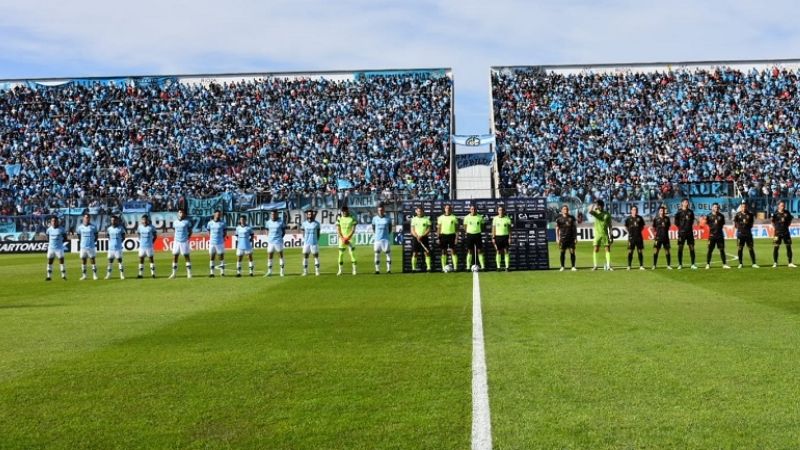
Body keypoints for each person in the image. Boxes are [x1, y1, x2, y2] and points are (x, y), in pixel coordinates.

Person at [589, 200, 613, 271]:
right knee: (596, 249)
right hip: (597, 234)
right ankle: (595, 266)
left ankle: (608, 266)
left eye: (598, 205)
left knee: (607, 249)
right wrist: (593, 204)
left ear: (602, 206)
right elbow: (590, 211)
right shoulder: (596, 212)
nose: (597, 206)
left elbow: (610, 225)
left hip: (605, 234)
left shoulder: (607, 214)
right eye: (597, 205)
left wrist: (611, 235)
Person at [771, 200, 796, 268]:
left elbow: (790, 220)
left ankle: (790, 262)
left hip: (786, 232)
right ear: (778, 206)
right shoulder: (775, 213)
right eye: (782, 205)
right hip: (777, 233)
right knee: (776, 247)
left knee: (788, 247)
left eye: (784, 205)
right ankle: (775, 262)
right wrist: (776, 228)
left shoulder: (787, 212)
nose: (783, 207)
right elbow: (772, 222)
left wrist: (786, 226)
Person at [674, 198, 697, 269]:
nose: (687, 203)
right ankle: (680, 264)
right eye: (685, 202)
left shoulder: (691, 212)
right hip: (682, 233)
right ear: (682, 203)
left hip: (689, 232)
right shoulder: (679, 212)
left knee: (692, 248)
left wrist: (688, 227)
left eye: (687, 202)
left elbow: (692, 221)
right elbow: (676, 222)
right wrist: (681, 228)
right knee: (680, 248)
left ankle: (693, 264)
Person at [734, 201, 759, 268]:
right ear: (741, 207)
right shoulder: (737, 215)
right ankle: (740, 263)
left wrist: (746, 226)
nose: (744, 208)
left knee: (751, 248)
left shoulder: (750, 215)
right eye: (742, 207)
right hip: (740, 234)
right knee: (740, 249)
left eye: (745, 207)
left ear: (746, 207)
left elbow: (751, 224)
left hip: (748, 234)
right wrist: (740, 227)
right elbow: (735, 224)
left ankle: (754, 263)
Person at [705, 203, 730, 269]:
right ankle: (708, 264)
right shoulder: (709, 216)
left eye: (717, 207)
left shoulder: (721, 216)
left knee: (722, 250)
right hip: (712, 236)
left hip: (720, 236)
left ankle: (724, 264)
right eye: (715, 207)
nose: (716, 208)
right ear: (712, 208)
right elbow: (707, 224)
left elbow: (722, 224)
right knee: (710, 250)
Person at [169, 208, 192, 279]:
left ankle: (189, 273)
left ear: (184, 214)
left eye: (182, 212)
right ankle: (173, 274)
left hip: (184, 241)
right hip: (176, 241)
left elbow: (190, 231)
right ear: (178, 213)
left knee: (186, 256)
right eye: (180, 212)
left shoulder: (187, 222)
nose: (181, 214)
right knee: (175, 256)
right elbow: (174, 230)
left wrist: (187, 237)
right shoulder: (175, 222)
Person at [436, 204, 460, 271]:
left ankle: (455, 267)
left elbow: (457, 229)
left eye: (449, 208)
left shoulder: (454, 217)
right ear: (444, 209)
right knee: (443, 251)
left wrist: (456, 238)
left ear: (451, 209)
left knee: (453, 251)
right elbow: (439, 228)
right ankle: (443, 267)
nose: (448, 209)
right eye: (447, 208)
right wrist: (438, 237)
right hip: (443, 235)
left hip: (452, 235)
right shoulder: (440, 217)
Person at [463, 204, 486, 271]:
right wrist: (469, 231)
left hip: (478, 235)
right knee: (469, 251)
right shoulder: (466, 217)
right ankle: (467, 267)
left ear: (476, 210)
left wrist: (477, 230)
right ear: (470, 210)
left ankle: (483, 266)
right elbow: (465, 226)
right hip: (470, 235)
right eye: (472, 209)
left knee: (480, 251)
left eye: (474, 209)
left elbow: (482, 226)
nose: (473, 210)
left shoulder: (480, 217)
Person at [555, 205, 578, 271]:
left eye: (567, 209)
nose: (566, 210)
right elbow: (557, 229)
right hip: (563, 238)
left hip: (571, 238)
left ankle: (573, 266)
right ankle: (562, 266)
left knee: (572, 252)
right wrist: (557, 238)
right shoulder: (559, 219)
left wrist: (575, 238)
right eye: (564, 209)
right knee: (562, 252)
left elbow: (574, 228)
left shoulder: (572, 218)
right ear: (562, 210)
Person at [76, 213, 99, 280]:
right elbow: (79, 236)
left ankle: (95, 275)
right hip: (83, 247)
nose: (87, 219)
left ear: (89, 219)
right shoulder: (80, 227)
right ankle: (84, 275)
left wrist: (92, 242)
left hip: (91, 246)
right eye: (86, 217)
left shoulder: (93, 227)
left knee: (92, 260)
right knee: (83, 260)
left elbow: (96, 236)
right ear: (83, 218)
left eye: (88, 218)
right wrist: (82, 242)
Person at [371, 204, 392, 274]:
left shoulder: (388, 218)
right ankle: (377, 270)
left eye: (382, 210)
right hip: (377, 239)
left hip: (385, 239)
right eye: (379, 210)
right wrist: (377, 234)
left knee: (388, 254)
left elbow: (390, 229)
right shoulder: (374, 219)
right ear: (377, 211)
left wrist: (386, 235)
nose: (380, 211)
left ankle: (388, 270)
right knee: (377, 254)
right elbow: (373, 228)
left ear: (384, 210)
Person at [410, 206, 432, 272]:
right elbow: (412, 230)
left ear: (423, 211)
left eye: (421, 211)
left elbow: (428, 229)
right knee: (415, 253)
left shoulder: (427, 219)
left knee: (427, 253)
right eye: (418, 211)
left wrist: (422, 235)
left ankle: (428, 268)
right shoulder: (413, 219)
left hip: (424, 238)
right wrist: (417, 236)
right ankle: (413, 268)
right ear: (416, 211)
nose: (419, 212)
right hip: (416, 238)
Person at [45, 216, 67, 281]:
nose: (54, 222)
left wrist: (59, 243)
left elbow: (65, 238)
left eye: (55, 221)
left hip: (59, 248)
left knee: (61, 262)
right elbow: (47, 237)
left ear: (57, 221)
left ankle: (63, 276)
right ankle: (49, 276)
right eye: (52, 221)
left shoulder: (62, 229)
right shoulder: (49, 229)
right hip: (51, 248)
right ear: (51, 222)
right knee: (50, 262)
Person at [624, 206, 646, 270]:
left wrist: (638, 231)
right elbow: (625, 226)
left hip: (639, 237)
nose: (635, 211)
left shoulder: (640, 218)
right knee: (630, 251)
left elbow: (642, 226)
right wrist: (629, 232)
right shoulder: (628, 218)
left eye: (636, 210)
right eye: (633, 210)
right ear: (631, 211)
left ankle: (641, 266)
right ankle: (629, 266)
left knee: (640, 251)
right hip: (631, 237)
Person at [206, 210, 227, 277]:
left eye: (219, 214)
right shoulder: (210, 223)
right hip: (212, 243)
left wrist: (221, 238)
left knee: (221, 257)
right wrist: (211, 238)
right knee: (212, 257)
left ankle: (222, 272)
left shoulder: (223, 223)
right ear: (214, 214)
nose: (218, 215)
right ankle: (212, 273)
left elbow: (225, 232)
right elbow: (208, 231)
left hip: (220, 242)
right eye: (217, 214)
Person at [265, 210, 286, 277]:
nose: (273, 215)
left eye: (274, 214)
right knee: (269, 256)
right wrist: (268, 237)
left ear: (277, 215)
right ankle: (269, 272)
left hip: (278, 241)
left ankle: (282, 272)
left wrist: (279, 237)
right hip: (271, 242)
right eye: (272, 214)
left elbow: (283, 232)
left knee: (280, 256)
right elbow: (267, 230)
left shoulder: (281, 222)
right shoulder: (268, 222)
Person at [492, 205, 512, 271]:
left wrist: (510, 238)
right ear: (498, 211)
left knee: (506, 251)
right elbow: (493, 229)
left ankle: (507, 267)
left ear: (504, 211)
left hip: (505, 236)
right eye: (499, 210)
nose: (501, 211)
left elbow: (509, 229)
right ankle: (498, 267)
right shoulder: (495, 218)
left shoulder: (507, 218)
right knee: (498, 251)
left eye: (502, 210)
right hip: (498, 237)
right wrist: (493, 237)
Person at [651, 206, 672, 270]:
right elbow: (653, 227)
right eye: (660, 211)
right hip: (658, 238)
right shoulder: (656, 219)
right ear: (659, 211)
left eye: (662, 211)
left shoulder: (667, 219)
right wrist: (655, 234)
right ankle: (654, 265)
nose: (662, 212)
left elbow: (668, 226)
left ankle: (668, 265)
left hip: (665, 237)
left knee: (667, 251)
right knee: (656, 251)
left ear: (664, 211)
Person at [137, 214, 157, 278]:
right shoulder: (140, 227)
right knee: (141, 259)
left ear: (148, 220)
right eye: (143, 220)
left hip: (149, 246)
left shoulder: (151, 227)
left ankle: (153, 274)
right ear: (141, 220)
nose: (144, 221)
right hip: (142, 246)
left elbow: (155, 236)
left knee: (151, 259)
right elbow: (138, 233)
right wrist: (140, 240)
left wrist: (152, 242)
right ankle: (140, 274)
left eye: (145, 219)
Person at [105, 215, 126, 280]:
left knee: (119, 261)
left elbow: (123, 237)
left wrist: (119, 242)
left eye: (114, 220)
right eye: (112, 220)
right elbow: (108, 236)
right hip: (111, 248)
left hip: (118, 248)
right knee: (110, 262)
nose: (113, 221)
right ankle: (108, 275)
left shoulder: (120, 228)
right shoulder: (109, 229)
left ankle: (122, 275)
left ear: (117, 221)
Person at [302, 210, 321, 276]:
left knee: (316, 257)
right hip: (306, 243)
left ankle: (317, 271)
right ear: (307, 215)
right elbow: (303, 232)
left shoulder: (317, 223)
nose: (310, 215)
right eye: (309, 214)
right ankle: (305, 271)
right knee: (305, 257)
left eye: (311, 214)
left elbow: (318, 233)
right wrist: (305, 239)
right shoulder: (304, 223)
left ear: (313, 215)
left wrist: (316, 240)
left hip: (314, 243)